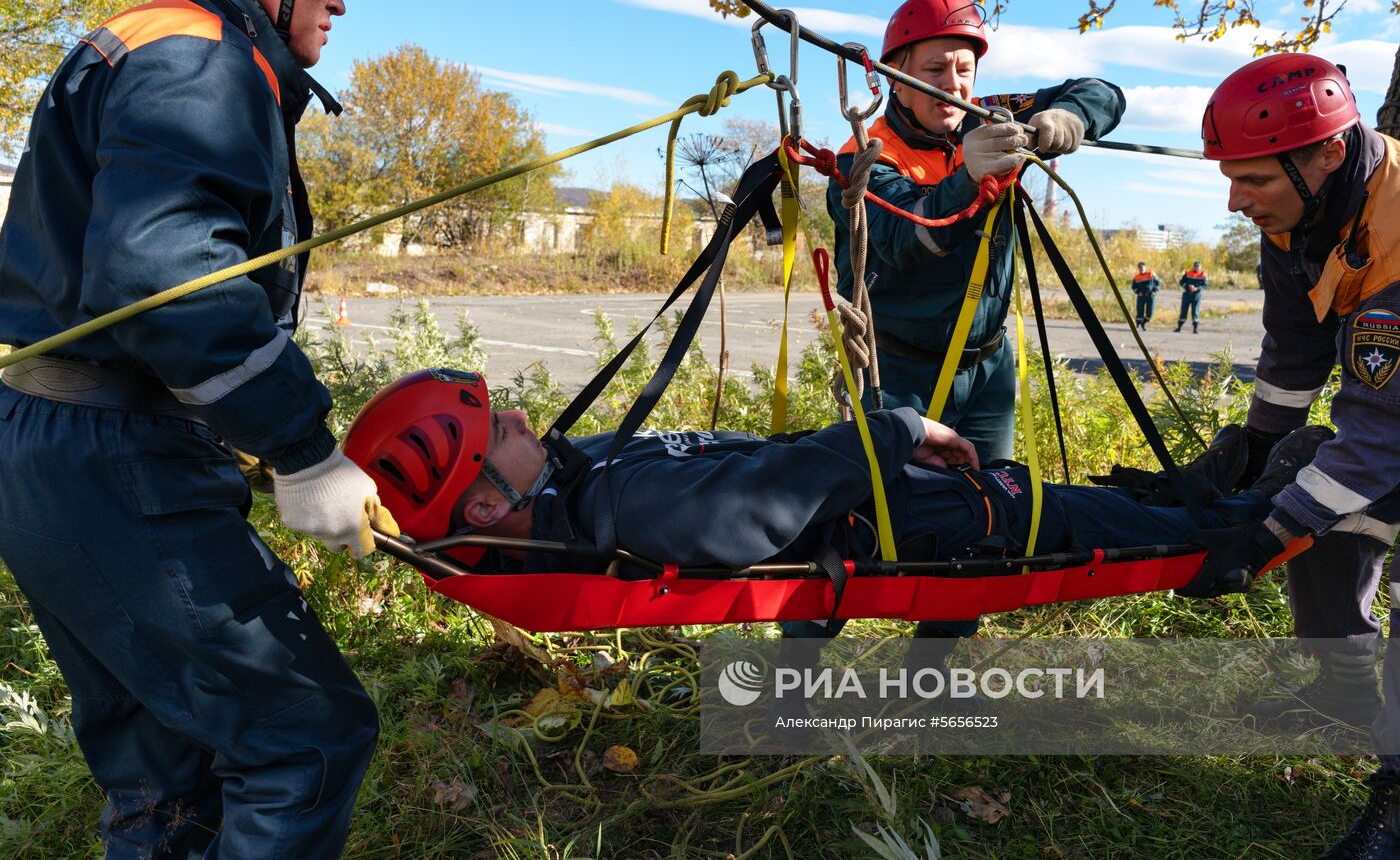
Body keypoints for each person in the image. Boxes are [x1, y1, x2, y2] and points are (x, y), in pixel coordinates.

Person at [0, 0, 397, 855]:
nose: (337, 3)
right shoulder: (200, 59)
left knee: (161, 767)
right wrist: (302, 451)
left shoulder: (143, 37)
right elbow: (162, 273)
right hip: (111, 453)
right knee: (307, 738)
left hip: (46, 437)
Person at [342, 369, 1329, 579]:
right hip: (935, 526)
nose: (517, 412)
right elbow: (755, 508)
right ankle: (1290, 510)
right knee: (1128, 523)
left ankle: (1277, 488)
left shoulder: (571, 484)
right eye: (494, 428)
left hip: (912, 502)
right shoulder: (619, 499)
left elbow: (751, 470)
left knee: (1125, 500)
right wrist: (896, 427)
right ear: (482, 502)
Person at [819, 0, 1126, 643]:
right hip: (894, 371)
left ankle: (931, 687)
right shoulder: (862, 154)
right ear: (894, 77)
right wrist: (968, 179)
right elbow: (909, 240)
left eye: (964, 68)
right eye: (933, 70)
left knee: (983, 523)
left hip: (987, 372)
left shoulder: (989, 118)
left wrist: (1065, 117)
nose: (951, 84)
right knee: (857, 523)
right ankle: (789, 691)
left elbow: (1105, 91)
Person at [1197, 51, 1400, 856]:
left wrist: (1267, 531)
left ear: (1325, 152)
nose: (1235, 201)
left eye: (1253, 181)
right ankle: (1345, 687)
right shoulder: (1300, 216)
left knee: (1311, 503)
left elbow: (1381, 437)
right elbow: (1291, 354)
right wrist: (1254, 451)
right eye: (1230, 179)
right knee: (1319, 511)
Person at [1175, 260, 1208, 333]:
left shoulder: (1203, 275)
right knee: (1183, 310)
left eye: (1198, 267)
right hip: (1187, 294)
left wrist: (1196, 288)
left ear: (1200, 267)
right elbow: (1181, 282)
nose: (1196, 268)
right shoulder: (1188, 273)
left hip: (1196, 295)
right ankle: (1179, 328)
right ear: (1193, 267)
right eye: (1195, 266)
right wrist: (1187, 286)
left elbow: (1205, 285)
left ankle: (1195, 329)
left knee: (1195, 311)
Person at [1130, 261, 1161, 330]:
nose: (1141, 269)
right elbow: (1133, 287)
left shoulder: (1151, 274)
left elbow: (1158, 284)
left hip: (1150, 296)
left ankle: (1144, 323)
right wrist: (1138, 292)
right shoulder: (1137, 277)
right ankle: (1138, 325)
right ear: (1138, 268)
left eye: (1142, 267)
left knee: (1150, 312)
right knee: (1140, 311)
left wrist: (1154, 291)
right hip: (1141, 296)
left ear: (1145, 267)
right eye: (1140, 268)